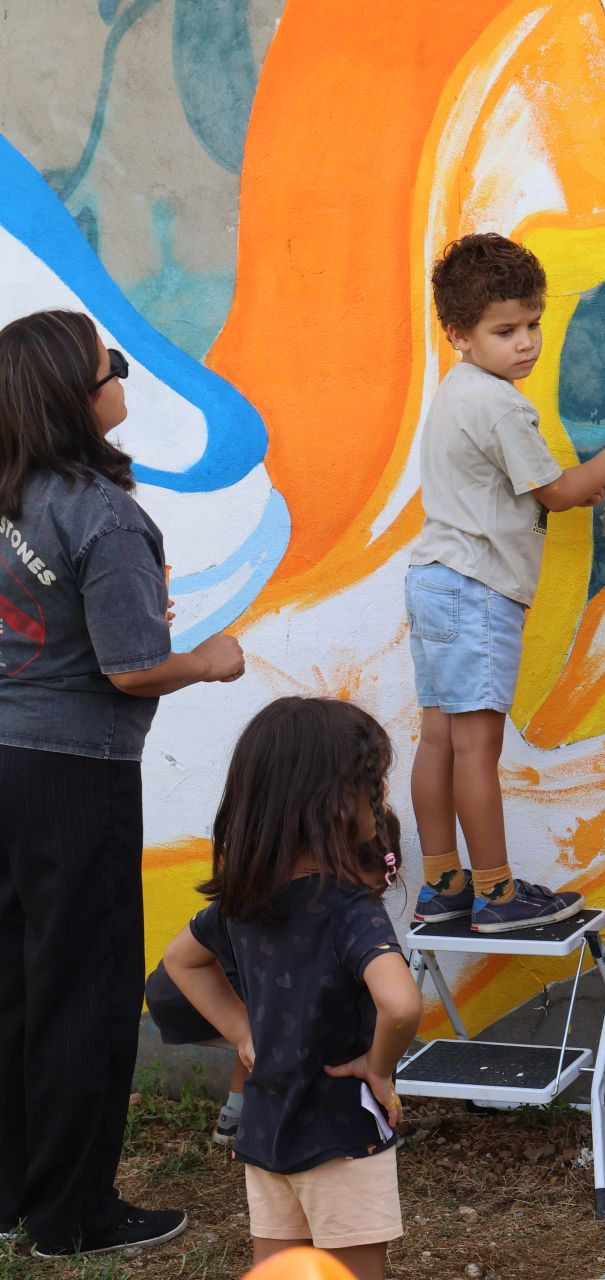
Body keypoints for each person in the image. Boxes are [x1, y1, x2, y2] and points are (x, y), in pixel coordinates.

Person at [0, 309, 246, 1257]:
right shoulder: (102, 512)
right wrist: (211, 659)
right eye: (116, 366)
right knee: (87, 993)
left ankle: (14, 1191)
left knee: (13, 988)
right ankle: (73, 1216)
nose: (125, 382)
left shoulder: (12, 497)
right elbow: (132, 668)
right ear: (77, 391)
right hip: (73, 777)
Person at [407, 233, 605, 933]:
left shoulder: (459, 391)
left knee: (439, 739)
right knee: (476, 748)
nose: (525, 344)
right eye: (504, 331)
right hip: (476, 590)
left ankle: (442, 882)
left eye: (531, 325)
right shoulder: (500, 403)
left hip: (435, 582)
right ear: (458, 334)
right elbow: (555, 492)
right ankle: (496, 893)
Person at [162, 697, 421, 1280]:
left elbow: (182, 961)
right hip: (342, 1134)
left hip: (265, 1125)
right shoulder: (349, 911)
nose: (379, 800)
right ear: (334, 805)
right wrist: (378, 1069)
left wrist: (242, 1032)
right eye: (373, 785)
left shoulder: (243, 901)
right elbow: (401, 1004)